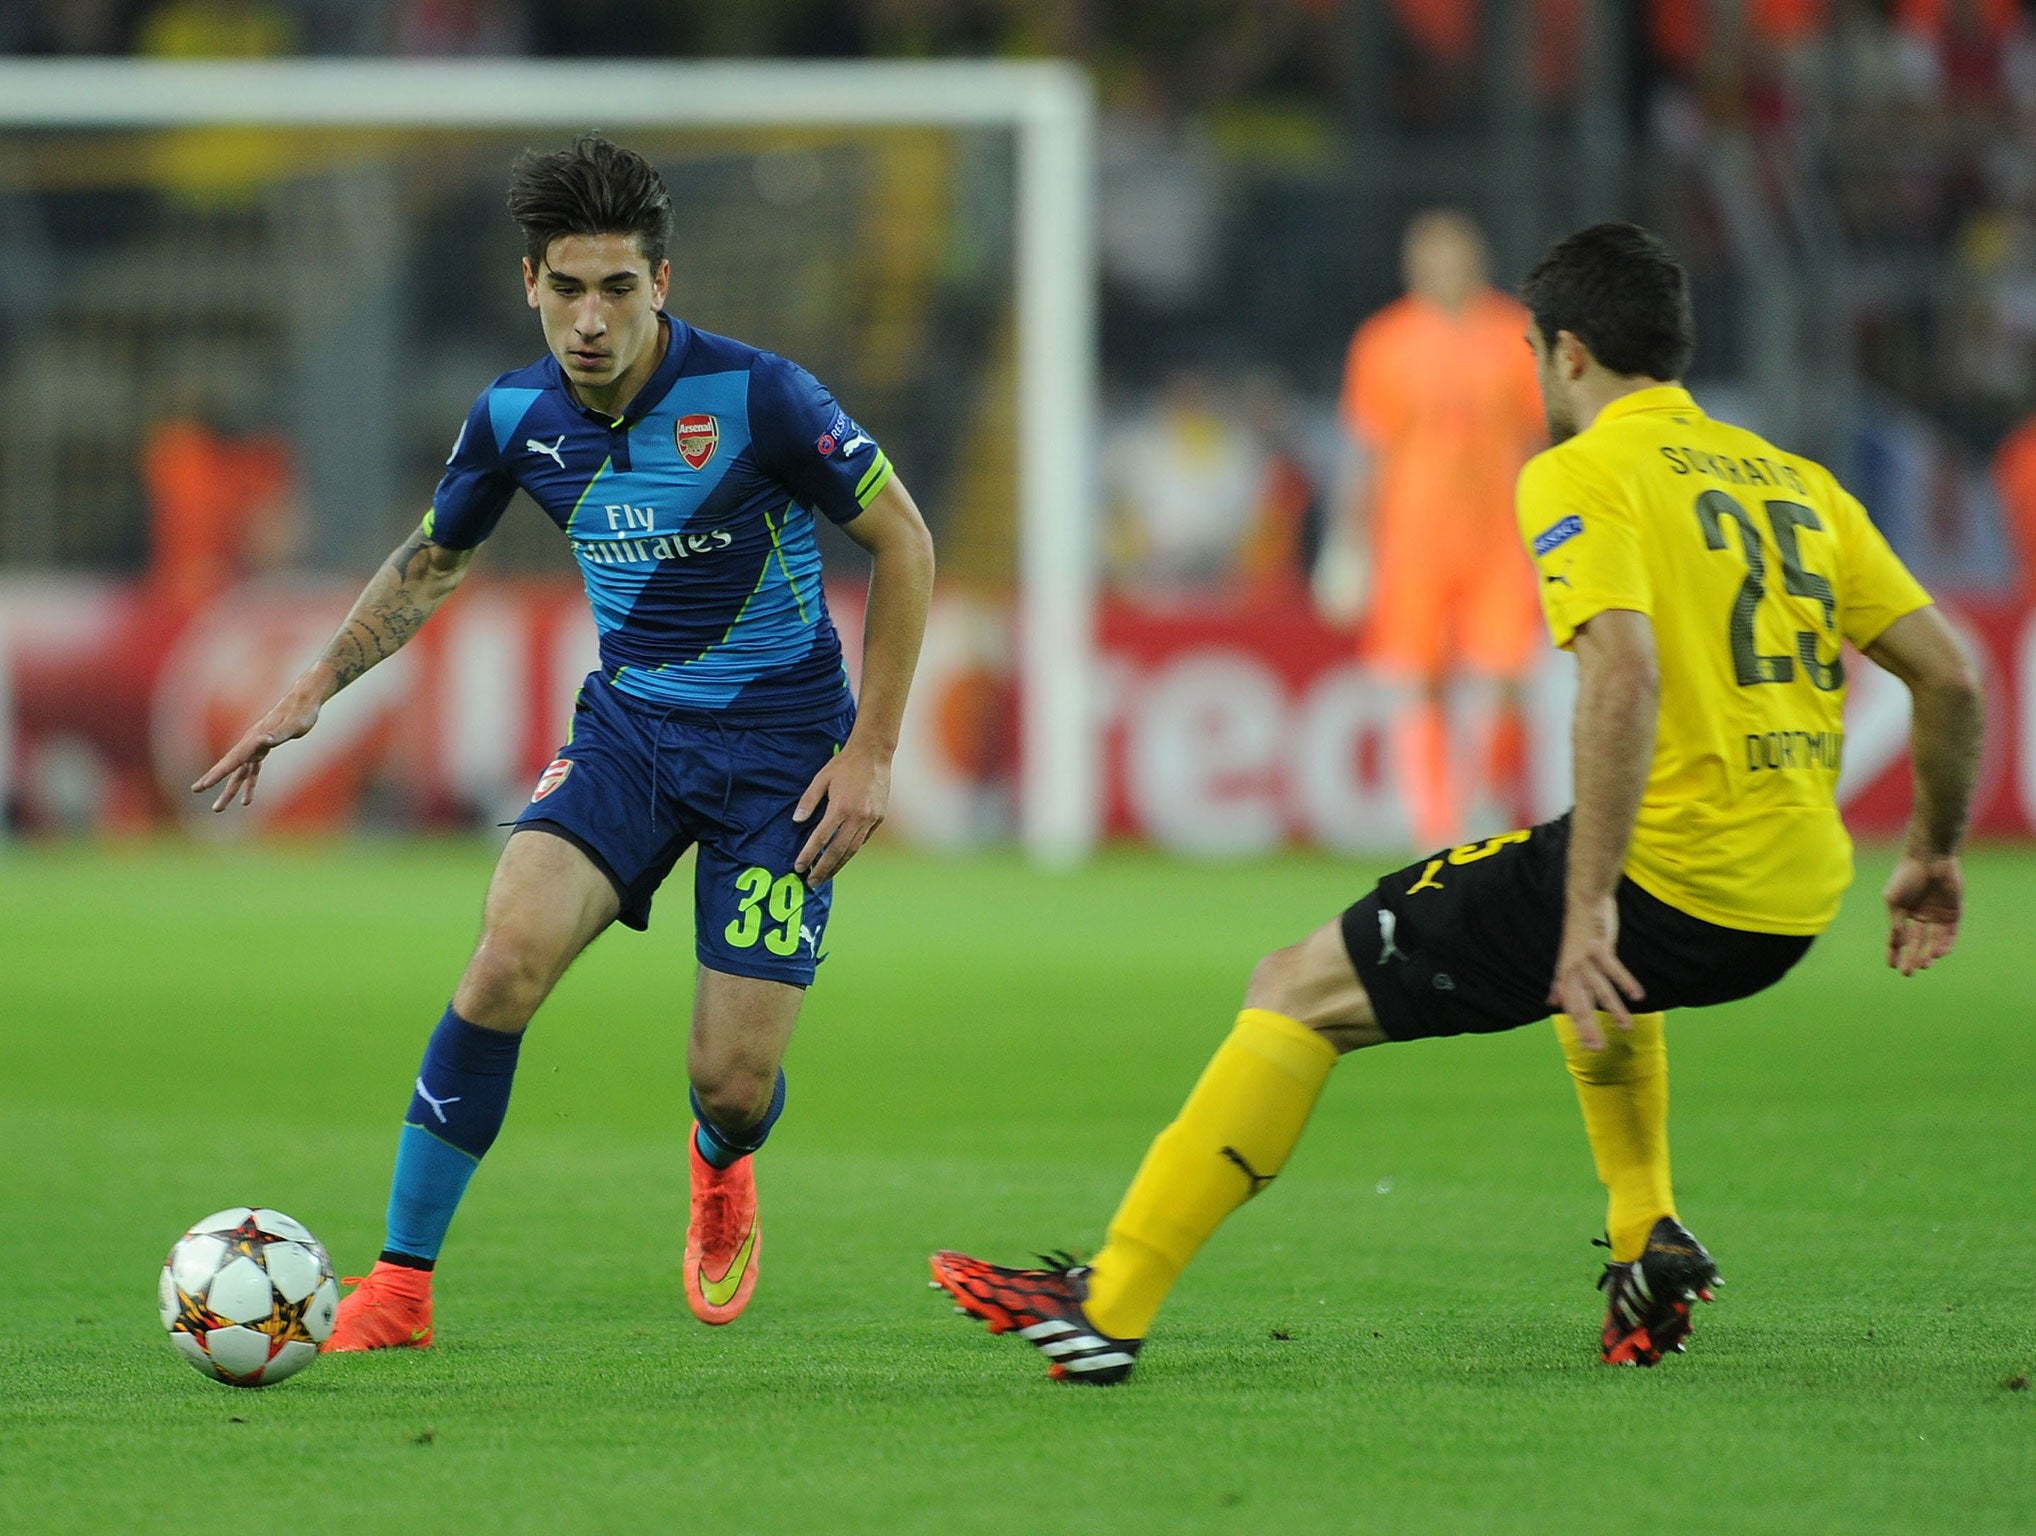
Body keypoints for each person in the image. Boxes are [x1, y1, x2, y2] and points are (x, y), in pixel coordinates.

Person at [930, 223, 1979, 1383]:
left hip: (1669, 877)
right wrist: (1929, 852)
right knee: (1610, 960)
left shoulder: (1579, 470)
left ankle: (1106, 1305)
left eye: (1533, 353)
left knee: (1294, 988)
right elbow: (1948, 674)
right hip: (1792, 899)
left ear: (1566, 354)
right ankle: (1647, 1239)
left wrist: (1586, 907)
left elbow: (1621, 674)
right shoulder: (1795, 482)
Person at [196, 135, 935, 1347]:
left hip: (783, 762)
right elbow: (434, 553)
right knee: (502, 960)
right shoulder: (514, 416)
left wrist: (874, 751)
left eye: (619, 289)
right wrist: (314, 685)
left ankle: (718, 1159)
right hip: (632, 738)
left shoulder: (760, 398)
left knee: (731, 1082)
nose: (591, 320)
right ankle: (400, 1286)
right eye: (568, 288)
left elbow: (902, 542)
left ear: (661, 286)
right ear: (528, 282)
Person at [1328, 210, 1546, 847]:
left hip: (1501, 540)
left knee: (1507, 677)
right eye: (1433, 258)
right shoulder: (1383, 342)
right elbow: (1367, 449)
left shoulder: (1515, 335)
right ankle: (1431, 821)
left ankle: (1485, 797)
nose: (1445, 269)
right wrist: (1347, 543)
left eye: (1456, 257)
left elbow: (1542, 442)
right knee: (1416, 680)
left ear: (1478, 262)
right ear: (1412, 266)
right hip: (1412, 541)